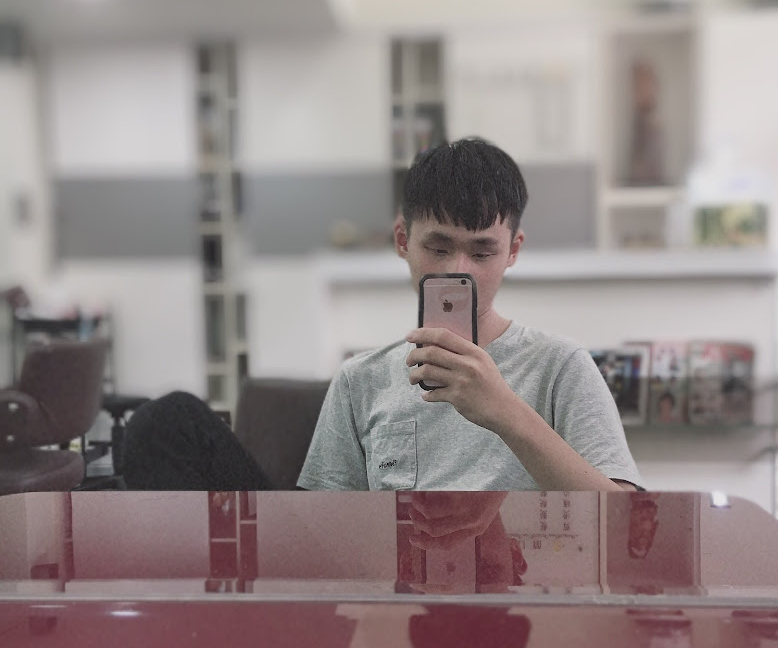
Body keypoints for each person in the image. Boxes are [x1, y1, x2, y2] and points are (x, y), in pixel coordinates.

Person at [123, 139, 641, 531]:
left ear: (513, 251)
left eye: (482, 251)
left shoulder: (560, 367)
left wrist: (504, 411)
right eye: (438, 248)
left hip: (513, 595)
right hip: (391, 591)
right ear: (402, 240)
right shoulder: (361, 379)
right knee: (167, 421)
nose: (458, 270)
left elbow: (627, 525)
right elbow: (326, 533)